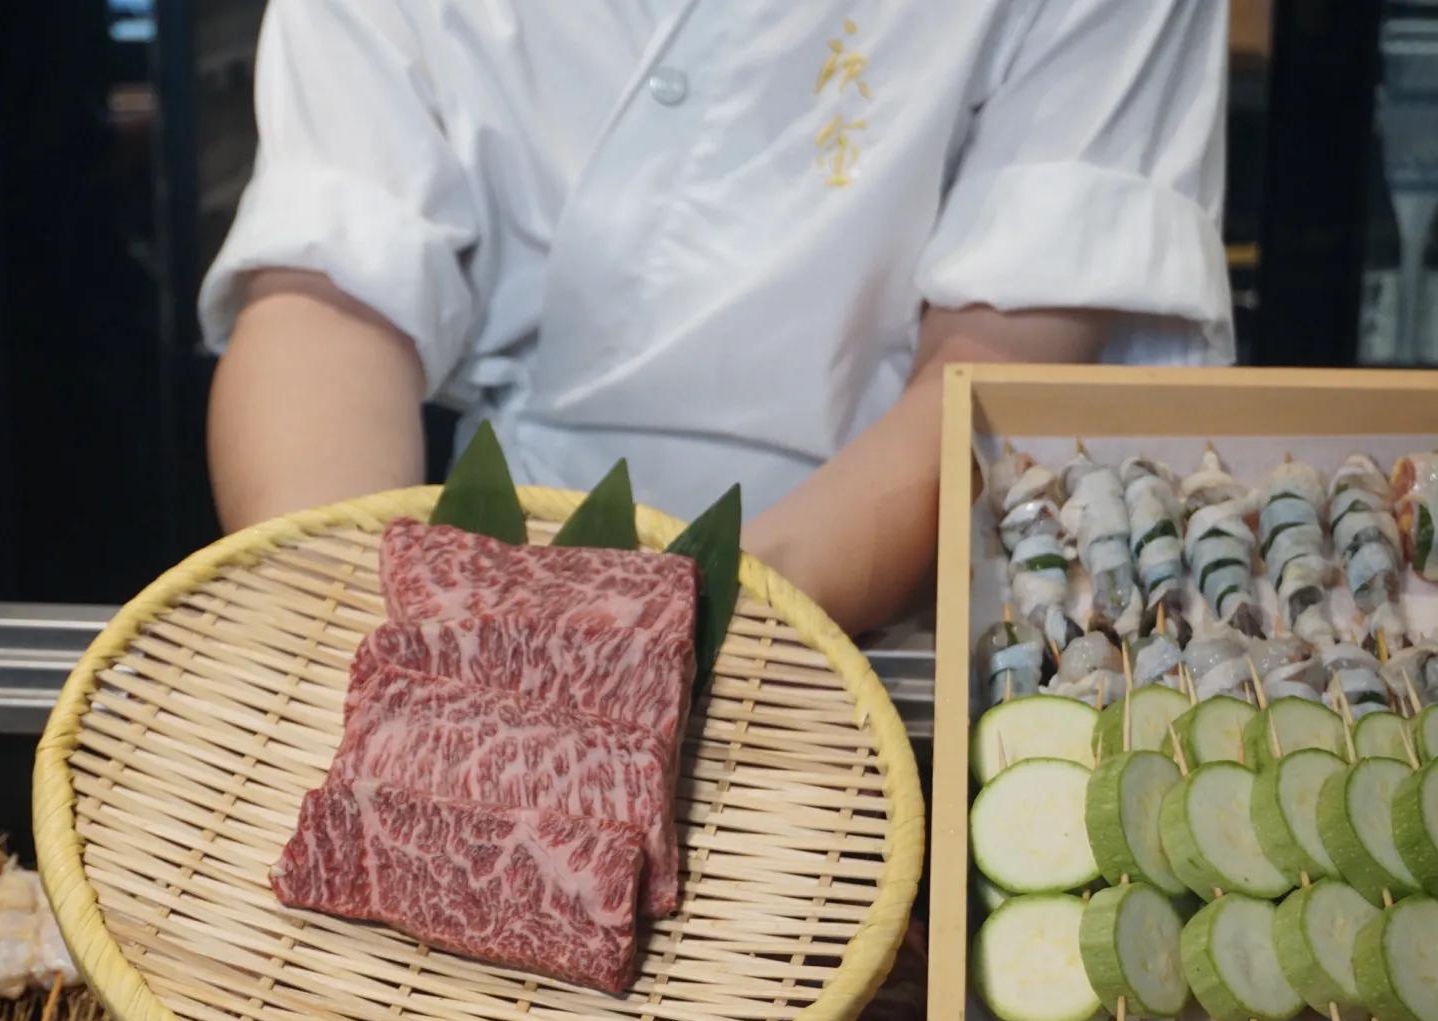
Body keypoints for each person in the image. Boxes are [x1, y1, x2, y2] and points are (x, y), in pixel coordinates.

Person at [200, 0, 1232, 636]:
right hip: (486, 571)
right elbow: (326, 308)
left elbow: (994, 376)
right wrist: (351, 612)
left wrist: (663, 638)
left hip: (883, 609)